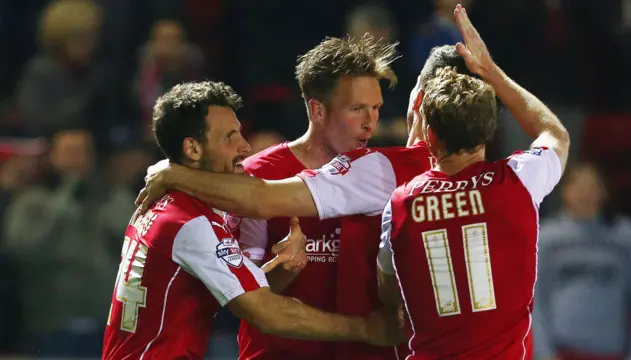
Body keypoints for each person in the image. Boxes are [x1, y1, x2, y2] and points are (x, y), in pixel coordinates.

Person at [139, 43, 476, 359]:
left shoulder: (385, 171)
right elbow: (245, 295)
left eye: (375, 108)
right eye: (356, 109)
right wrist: (284, 270)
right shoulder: (254, 176)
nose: (370, 121)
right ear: (317, 109)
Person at [102, 81, 403, 360]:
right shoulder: (190, 222)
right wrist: (367, 329)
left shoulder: (168, 206)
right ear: (192, 149)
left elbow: (246, 294)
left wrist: (283, 269)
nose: (245, 147)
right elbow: (266, 312)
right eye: (230, 137)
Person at [376, 5, 569, 360]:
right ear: (490, 131)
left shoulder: (401, 202)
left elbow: (389, 293)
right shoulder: (519, 181)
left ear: (430, 135)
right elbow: (554, 134)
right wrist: (491, 72)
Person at [534, 163, 631, 360]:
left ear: (604, 192)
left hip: (612, 350)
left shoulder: (625, 236)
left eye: (592, 187)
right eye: (578, 186)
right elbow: (534, 300)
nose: (585, 194)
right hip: (562, 348)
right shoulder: (546, 237)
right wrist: (544, 354)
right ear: (564, 191)